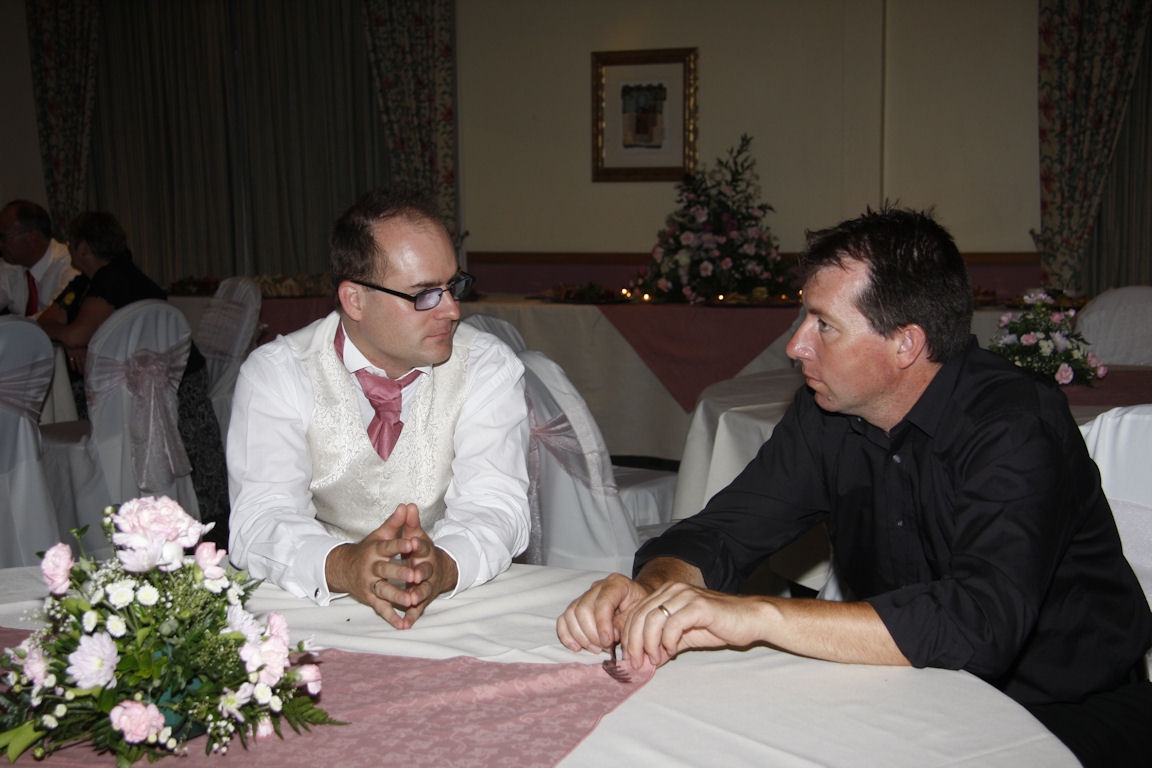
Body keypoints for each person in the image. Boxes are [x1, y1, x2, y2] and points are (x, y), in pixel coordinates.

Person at [557, 206, 1152, 768]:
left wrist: (761, 614)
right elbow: (723, 529)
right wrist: (657, 590)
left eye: (825, 325)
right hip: (908, 690)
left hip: (1063, 710)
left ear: (906, 344)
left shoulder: (1013, 425)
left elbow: (980, 623)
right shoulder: (828, 414)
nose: (796, 345)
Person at [227, 187, 530, 630]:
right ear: (355, 300)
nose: (452, 310)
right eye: (424, 294)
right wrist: (344, 565)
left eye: (454, 286)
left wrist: (442, 565)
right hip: (316, 609)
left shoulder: (486, 367)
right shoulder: (278, 374)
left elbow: (496, 504)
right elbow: (260, 517)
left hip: (452, 608)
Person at [37, 211, 230, 547]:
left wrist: (72, 338)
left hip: (151, 395)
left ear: (83, 248)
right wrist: (69, 336)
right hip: (168, 387)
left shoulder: (113, 279)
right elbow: (48, 322)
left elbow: (74, 333)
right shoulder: (86, 283)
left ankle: (97, 503)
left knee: (77, 393)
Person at [0, 200, 77, 318]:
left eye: (4, 238)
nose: (1, 244)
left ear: (33, 237)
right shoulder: (11, 264)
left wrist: (19, 323)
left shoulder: (71, 266)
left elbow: (59, 316)